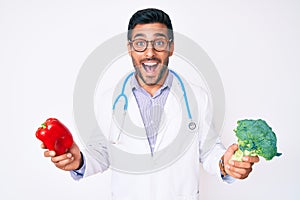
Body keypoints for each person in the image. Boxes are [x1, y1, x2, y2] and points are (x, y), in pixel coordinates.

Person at [41, 8, 259, 200]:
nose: (149, 52)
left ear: (171, 47)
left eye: (159, 42)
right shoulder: (108, 99)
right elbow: (101, 154)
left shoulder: (197, 96)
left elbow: (209, 150)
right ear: (129, 48)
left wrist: (226, 164)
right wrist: (78, 161)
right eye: (140, 43)